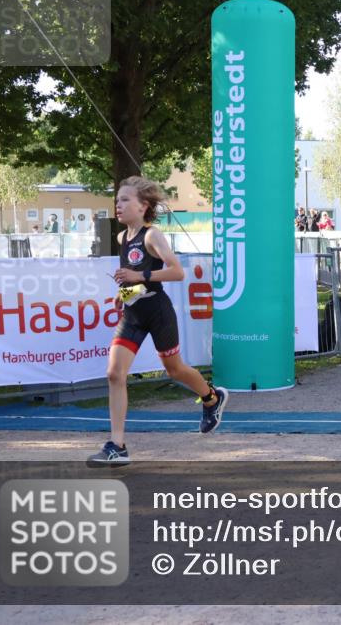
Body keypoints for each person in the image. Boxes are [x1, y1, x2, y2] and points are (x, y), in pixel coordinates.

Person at [88, 176, 227, 466]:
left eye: (125, 200)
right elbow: (134, 275)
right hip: (134, 314)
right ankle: (117, 445)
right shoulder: (121, 238)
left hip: (158, 311)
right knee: (114, 373)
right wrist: (123, 292)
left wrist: (139, 277)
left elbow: (177, 272)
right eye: (117, 200)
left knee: (174, 369)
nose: (118, 205)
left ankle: (211, 398)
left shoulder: (152, 236)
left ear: (143, 206)